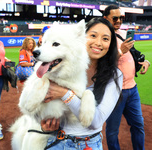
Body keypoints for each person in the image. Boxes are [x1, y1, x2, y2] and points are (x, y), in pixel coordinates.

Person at [40, 17, 123, 149]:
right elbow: (39, 106)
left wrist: (64, 94)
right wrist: (43, 124)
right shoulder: (56, 66)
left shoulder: (115, 76)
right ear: (81, 37)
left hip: (88, 144)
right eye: (93, 35)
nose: (98, 43)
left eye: (105, 39)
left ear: (110, 44)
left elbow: (95, 122)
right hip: (55, 140)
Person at [103, 5, 150, 150]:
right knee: (112, 132)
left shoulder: (123, 33)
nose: (118, 21)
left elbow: (133, 53)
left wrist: (145, 61)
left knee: (138, 125)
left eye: (121, 18)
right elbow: (103, 63)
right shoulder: (103, 37)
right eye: (114, 18)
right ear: (105, 19)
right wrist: (120, 50)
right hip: (115, 91)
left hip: (132, 89)